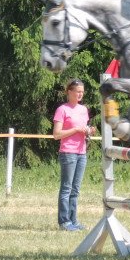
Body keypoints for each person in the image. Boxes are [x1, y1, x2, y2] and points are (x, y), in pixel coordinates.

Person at [53, 79, 96, 231]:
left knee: (75, 189)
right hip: (68, 153)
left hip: (81, 153)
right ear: (69, 92)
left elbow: (84, 128)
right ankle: (64, 221)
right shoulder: (62, 109)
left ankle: (73, 220)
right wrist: (76, 130)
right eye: (77, 91)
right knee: (66, 188)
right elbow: (57, 134)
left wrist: (89, 131)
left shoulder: (83, 110)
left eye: (82, 92)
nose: (80, 94)